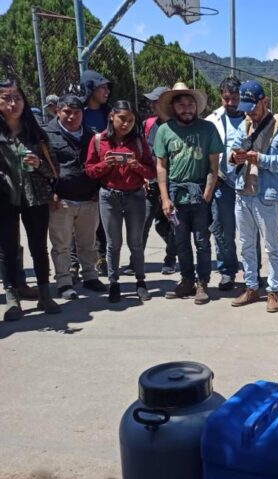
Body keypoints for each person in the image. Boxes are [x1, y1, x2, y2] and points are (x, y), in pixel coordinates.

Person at [229, 80, 278, 312]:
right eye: (245, 106)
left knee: (271, 246)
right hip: (243, 192)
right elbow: (233, 151)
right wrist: (234, 158)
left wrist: (261, 159)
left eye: (253, 106)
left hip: (266, 196)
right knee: (246, 244)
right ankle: (251, 286)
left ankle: (273, 290)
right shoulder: (245, 125)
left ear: (264, 101)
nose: (249, 111)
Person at [154, 82, 224, 305]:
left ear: (196, 106)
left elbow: (215, 163)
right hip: (175, 195)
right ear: (174, 107)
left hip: (199, 193)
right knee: (180, 241)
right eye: (181, 105)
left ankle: (202, 282)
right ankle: (186, 280)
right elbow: (161, 166)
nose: (187, 109)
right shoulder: (165, 131)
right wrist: (165, 198)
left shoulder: (207, 129)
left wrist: (208, 192)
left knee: (202, 241)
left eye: (190, 104)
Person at [0, 78, 60, 320]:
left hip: (35, 198)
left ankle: (45, 294)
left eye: (18, 98)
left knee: (38, 246)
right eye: (6, 98)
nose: (13, 103)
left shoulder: (36, 133)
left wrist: (39, 164)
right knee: (7, 249)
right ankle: (12, 299)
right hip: (4, 198)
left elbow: (54, 170)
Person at [85, 100, 156, 303]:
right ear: (112, 117)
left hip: (135, 196)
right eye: (122, 119)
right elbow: (89, 170)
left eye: (131, 120)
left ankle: (140, 281)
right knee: (112, 244)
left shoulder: (139, 142)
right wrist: (105, 165)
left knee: (136, 242)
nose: (126, 124)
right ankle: (114, 283)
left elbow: (151, 170)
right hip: (109, 196)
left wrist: (136, 166)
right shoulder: (99, 140)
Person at [44, 93, 106, 300]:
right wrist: (50, 191)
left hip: (88, 199)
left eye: (76, 112)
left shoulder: (92, 137)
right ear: (58, 111)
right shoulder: (47, 135)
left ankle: (90, 276)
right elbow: (43, 168)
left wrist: (97, 190)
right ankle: (64, 281)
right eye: (67, 112)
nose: (71, 117)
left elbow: (98, 165)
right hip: (61, 200)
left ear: (82, 114)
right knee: (61, 244)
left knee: (88, 242)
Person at [205, 76, 244, 291]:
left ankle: (252, 270)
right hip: (222, 183)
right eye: (226, 98)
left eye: (235, 98)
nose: (231, 102)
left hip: (247, 184)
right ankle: (227, 272)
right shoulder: (212, 120)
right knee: (223, 231)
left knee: (250, 232)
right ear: (221, 97)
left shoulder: (253, 116)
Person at [139, 86, 177, 276]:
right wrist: (144, 176)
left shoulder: (178, 125)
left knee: (170, 223)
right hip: (151, 183)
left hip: (173, 184)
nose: (153, 105)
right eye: (152, 101)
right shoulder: (149, 124)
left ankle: (170, 258)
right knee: (143, 222)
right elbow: (144, 153)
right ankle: (136, 262)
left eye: (156, 101)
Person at [79, 69, 112, 275]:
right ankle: (75, 263)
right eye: (102, 87)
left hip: (105, 174)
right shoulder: (78, 112)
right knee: (80, 222)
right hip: (82, 174)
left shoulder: (107, 113)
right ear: (90, 88)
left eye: (108, 87)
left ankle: (102, 259)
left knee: (103, 221)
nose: (107, 91)